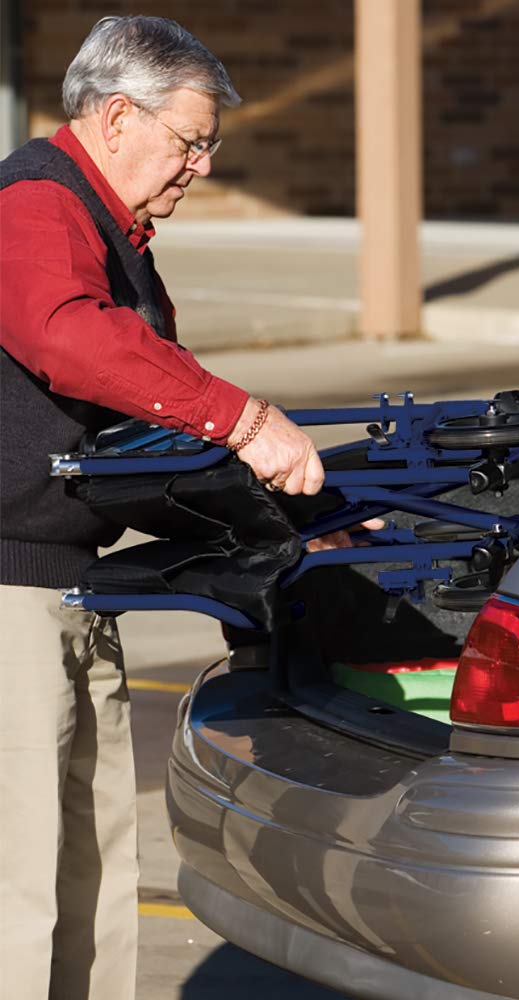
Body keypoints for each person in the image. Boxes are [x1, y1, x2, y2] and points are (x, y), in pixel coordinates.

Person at [0, 16, 354, 999]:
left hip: (72, 583)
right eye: (190, 139)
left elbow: (146, 422)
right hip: (7, 597)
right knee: (20, 884)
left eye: (209, 145)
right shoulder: (36, 202)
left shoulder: (116, 237)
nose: (200, 163)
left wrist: (294, 515)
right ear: (117, 117)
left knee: (98, 862)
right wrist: (242, 420)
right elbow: (65, 336)